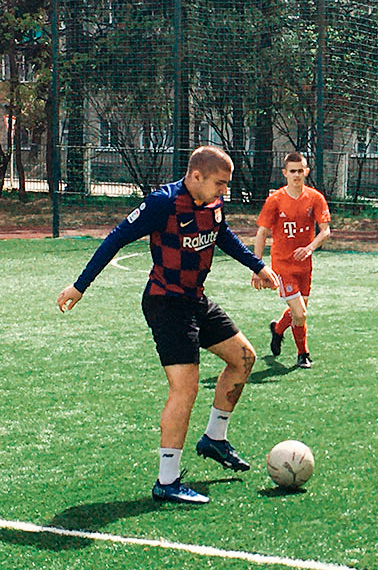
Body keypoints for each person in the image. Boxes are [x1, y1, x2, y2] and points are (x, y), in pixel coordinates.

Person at [57, 146, 279, 505]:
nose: (224, 191)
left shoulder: (212, 202)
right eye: (220, 184)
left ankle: (214, 439)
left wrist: (257, 265)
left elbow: (222, 235)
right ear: (196, 177)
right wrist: (79, 286)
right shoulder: (164, 202)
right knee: (185, 390)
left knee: (243, 358)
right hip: (165, 303)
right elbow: (116, 238)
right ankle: (167, 481)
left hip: (195, 299)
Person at [253, 152, 331, 369]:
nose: (297, 175)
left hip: (305, 266)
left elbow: (325, 231)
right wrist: (257, 267)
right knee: (300, 313)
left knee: (299, 314)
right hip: (283, 265)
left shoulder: (315, 198)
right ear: (285, 173)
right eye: (292, 171)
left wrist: (310, 247)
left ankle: (278, 330)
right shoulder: (275, 200)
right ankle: (303, 353)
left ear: (306, 172)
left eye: (300, 170)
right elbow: (261, 233)